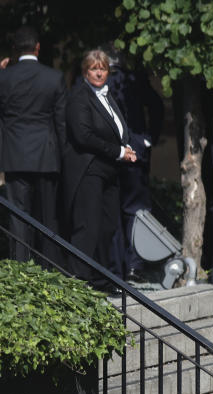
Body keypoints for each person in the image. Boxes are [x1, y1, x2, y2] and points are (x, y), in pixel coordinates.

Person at [0, 25, 66, 265]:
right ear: (38, 48)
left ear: (14, 49)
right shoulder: (54, 77)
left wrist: (0, 73)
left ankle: (21, 268)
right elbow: (61, 122)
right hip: (46, 155)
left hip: (14, 156)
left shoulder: (3, 76)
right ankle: (49, 268)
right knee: (47, 216)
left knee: (18, 215)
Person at [63, 49, 137, 287]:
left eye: (102, 68)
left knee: (108, 226)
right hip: (88, 169)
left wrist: (126, 146)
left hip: (109, 170)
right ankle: (80, 281)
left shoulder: (107, 95)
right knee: (88, 225)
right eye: (94, 69)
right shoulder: (79, 96)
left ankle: (101, 279)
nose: (98, 73)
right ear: (85, 72)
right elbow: (83, 135)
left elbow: (116, 129)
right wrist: (118, 151)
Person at [104, 54, 165, 280]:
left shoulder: (128, 79)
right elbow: (156, 106)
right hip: (126, 151)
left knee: (126, 209)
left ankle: (125, 264)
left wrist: (146, 140)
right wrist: (146, 140)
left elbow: (156, 106)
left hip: (122, 152)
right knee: (133, 210)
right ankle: (131, 264)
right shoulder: (132, 78)